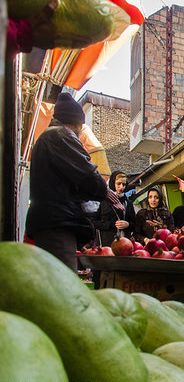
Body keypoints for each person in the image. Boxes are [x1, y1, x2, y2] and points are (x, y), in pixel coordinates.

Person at [25, 92, 123, 271]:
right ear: (76, 122)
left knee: (54, 277)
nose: (80, 132)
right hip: (57, 224)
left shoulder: (48, 137)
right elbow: (86, 173)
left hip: (51, 222)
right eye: (80, 126)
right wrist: (106, 192)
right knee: (61, 280)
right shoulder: (60, 136)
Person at [92, 171, 136, 246]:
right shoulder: (102, 200)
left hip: (124, 243)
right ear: (112, 183)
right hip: (106, 243)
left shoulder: (128, 203)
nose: (121, 187)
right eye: (119, 184)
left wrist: (128, 224)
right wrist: (111, 225)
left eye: (124, 184)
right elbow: (93, 221)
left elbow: (134, 224)